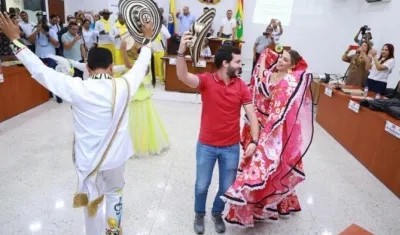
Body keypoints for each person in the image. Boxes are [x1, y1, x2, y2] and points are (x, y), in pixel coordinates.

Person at [0, 12, 154, 235]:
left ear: (88, 69)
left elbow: (40, 71)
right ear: (111, 67)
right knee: (115, 193)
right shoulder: (125, 86)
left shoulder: (77, 88)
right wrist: (147, 38)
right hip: (117, 158)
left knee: (92, 204)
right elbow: (141, 64)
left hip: (88, 161)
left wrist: (15, 40)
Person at [176, 31, 259, 234]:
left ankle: (216, 212)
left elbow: (252, 115)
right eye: (238, 62)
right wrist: (181, 52)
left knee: (226, 187)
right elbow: (183, 76)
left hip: (230, 148)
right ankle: (199, 214)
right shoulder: (206, 81)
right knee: (202, 186)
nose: (241, 65)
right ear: (225, 63)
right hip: (206, 146)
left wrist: (254, 141)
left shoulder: (241, 86)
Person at [220, 48, 314, 227]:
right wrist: (264, 54)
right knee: (252, 164)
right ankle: (255, 205)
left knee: (264, 167)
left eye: (285, 60)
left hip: (271, 130)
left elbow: (278, 112)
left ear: (292, 66)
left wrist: (265, 137)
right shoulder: (269, 73)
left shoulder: (288, 83)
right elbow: (262, 68)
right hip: (255, 125)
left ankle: (257, 206)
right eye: (280, 57)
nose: (279, 61)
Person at [120, 41, 170, 157]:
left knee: (139, 122)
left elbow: (128, 65)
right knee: (136, 122)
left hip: (140, 96)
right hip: (138, 95)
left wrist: (123, 51)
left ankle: (139, 146)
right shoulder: (143, 63)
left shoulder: (144, 65)